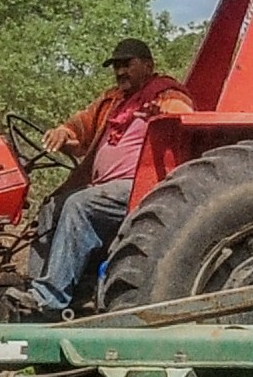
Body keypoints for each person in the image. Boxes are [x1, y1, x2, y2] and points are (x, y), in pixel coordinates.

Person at [27, 38, 195, 313]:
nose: (120, 72)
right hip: (106, 188)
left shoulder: (166, 95)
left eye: (127, 64)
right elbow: (80, 129)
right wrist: (63, 133)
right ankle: (36, 289)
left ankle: (49, 297)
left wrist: (160, 114)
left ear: (148, 65)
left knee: (80, 204)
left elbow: (186, 119)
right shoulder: (113, 102)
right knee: (52, 206)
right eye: (116, 66)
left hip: (143, 191)